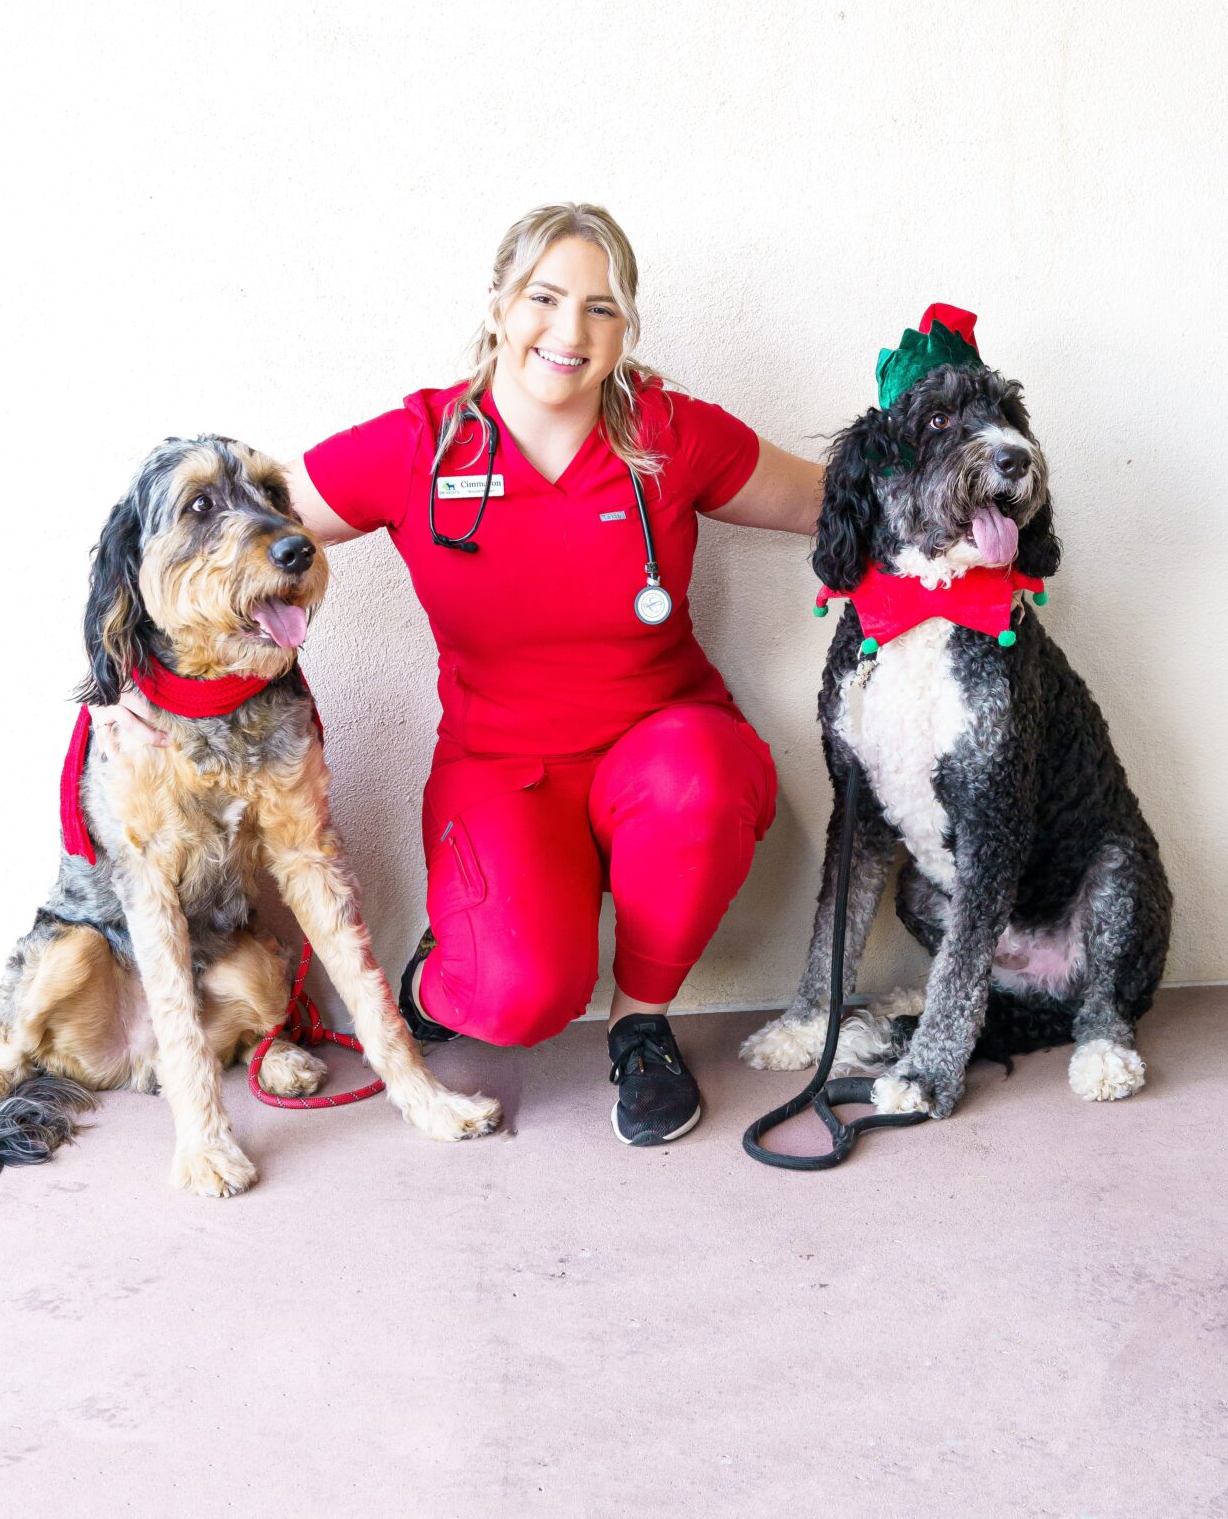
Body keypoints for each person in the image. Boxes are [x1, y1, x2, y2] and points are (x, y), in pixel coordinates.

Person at [103, 204, 823, 1146]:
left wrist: (959, 505)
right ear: (497, 303)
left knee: (708, 778)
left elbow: (834, 505)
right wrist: (144, 681)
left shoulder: (671, 433)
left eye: (601, 309)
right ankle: (455, 969)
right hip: (502, 768)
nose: (569, 334)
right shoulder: (419, 444)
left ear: (626, 327)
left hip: (662, 741)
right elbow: (236, 534)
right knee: (515, 1001)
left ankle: (639, 1024)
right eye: (545, 298)